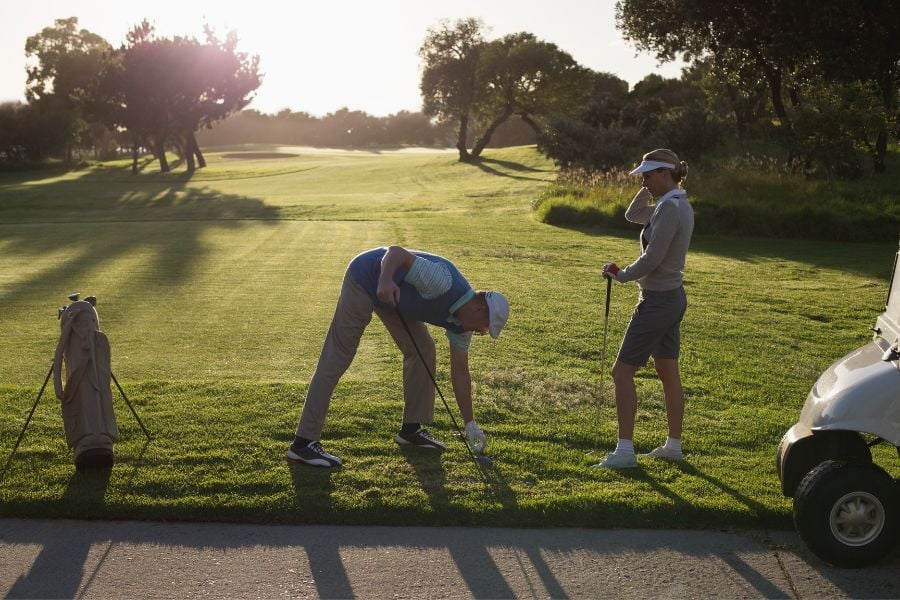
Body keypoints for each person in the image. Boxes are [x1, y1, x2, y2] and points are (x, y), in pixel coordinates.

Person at [286, 245, 510, 467]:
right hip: (366, 277)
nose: (480, 332)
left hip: (394, 295)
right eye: (484, 327)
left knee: (423, 349)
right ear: (480, 310)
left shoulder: (462, 326)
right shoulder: (442, 282)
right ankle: (303, 444)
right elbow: (395, 252)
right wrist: (385, 281)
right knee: (338, 355)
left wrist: (470, 424)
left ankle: (411, 430)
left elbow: (460, 374)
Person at [595, 148, 694, 468]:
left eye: (648, 175)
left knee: (621, 372)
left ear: (667, 173)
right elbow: (633, 216)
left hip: (658, 302)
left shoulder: (670, 208)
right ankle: (673, 447)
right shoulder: (671, 203)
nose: (644, 180)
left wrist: (621, 275)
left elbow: (653, 258)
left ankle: (624, 453)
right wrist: (646, 186)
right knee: (668, 373)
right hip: (671, 298)